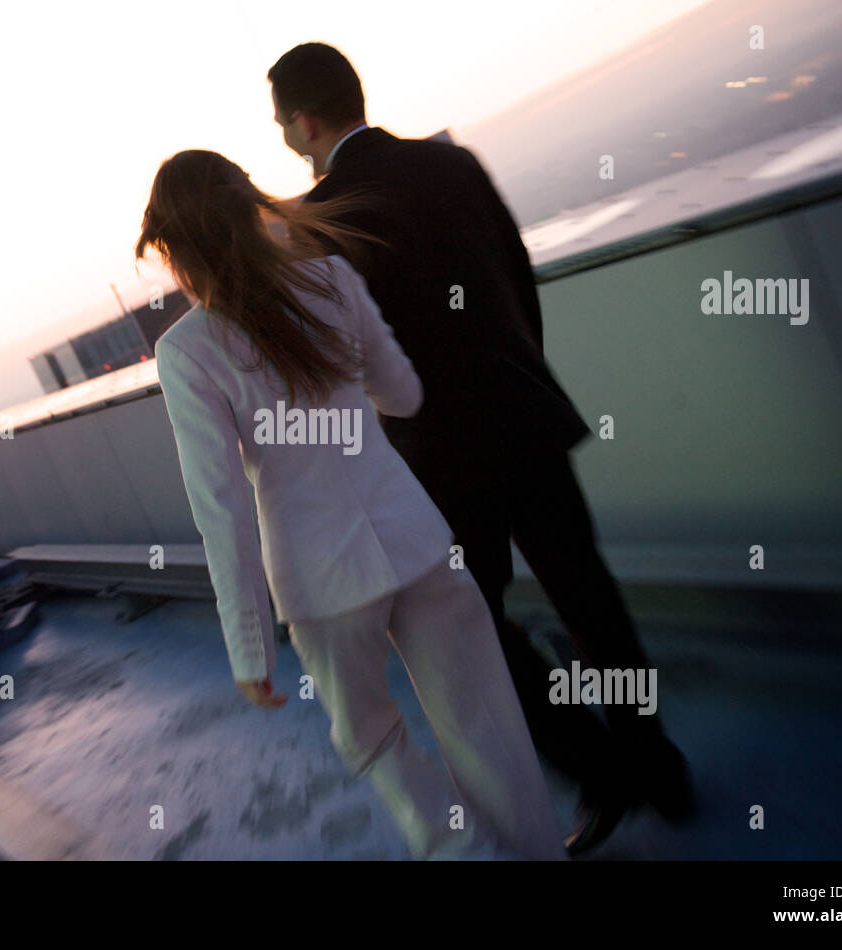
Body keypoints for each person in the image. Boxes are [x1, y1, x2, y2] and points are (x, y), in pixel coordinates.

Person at [266, 42, 694, 854]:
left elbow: (340, 358)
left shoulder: (317, 218)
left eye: (282, 120)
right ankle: (658, 766)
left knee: (480, 628)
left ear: (305, 121)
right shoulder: (450, 163)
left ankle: (595, 768)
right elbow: (515, 274)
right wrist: (519, 372)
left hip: (438, 458)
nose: (284, 135)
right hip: (524, 416)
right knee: (590, 600)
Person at [138, 149, 567, 860]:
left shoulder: (186, 351)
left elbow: (222, 508)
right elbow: (404, 395)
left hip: (322, 583)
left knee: (371, 738)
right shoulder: (331, 277)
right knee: (485, 721)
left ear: (176, 250)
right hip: (418, 541)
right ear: (250, 210)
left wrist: (247, 643)